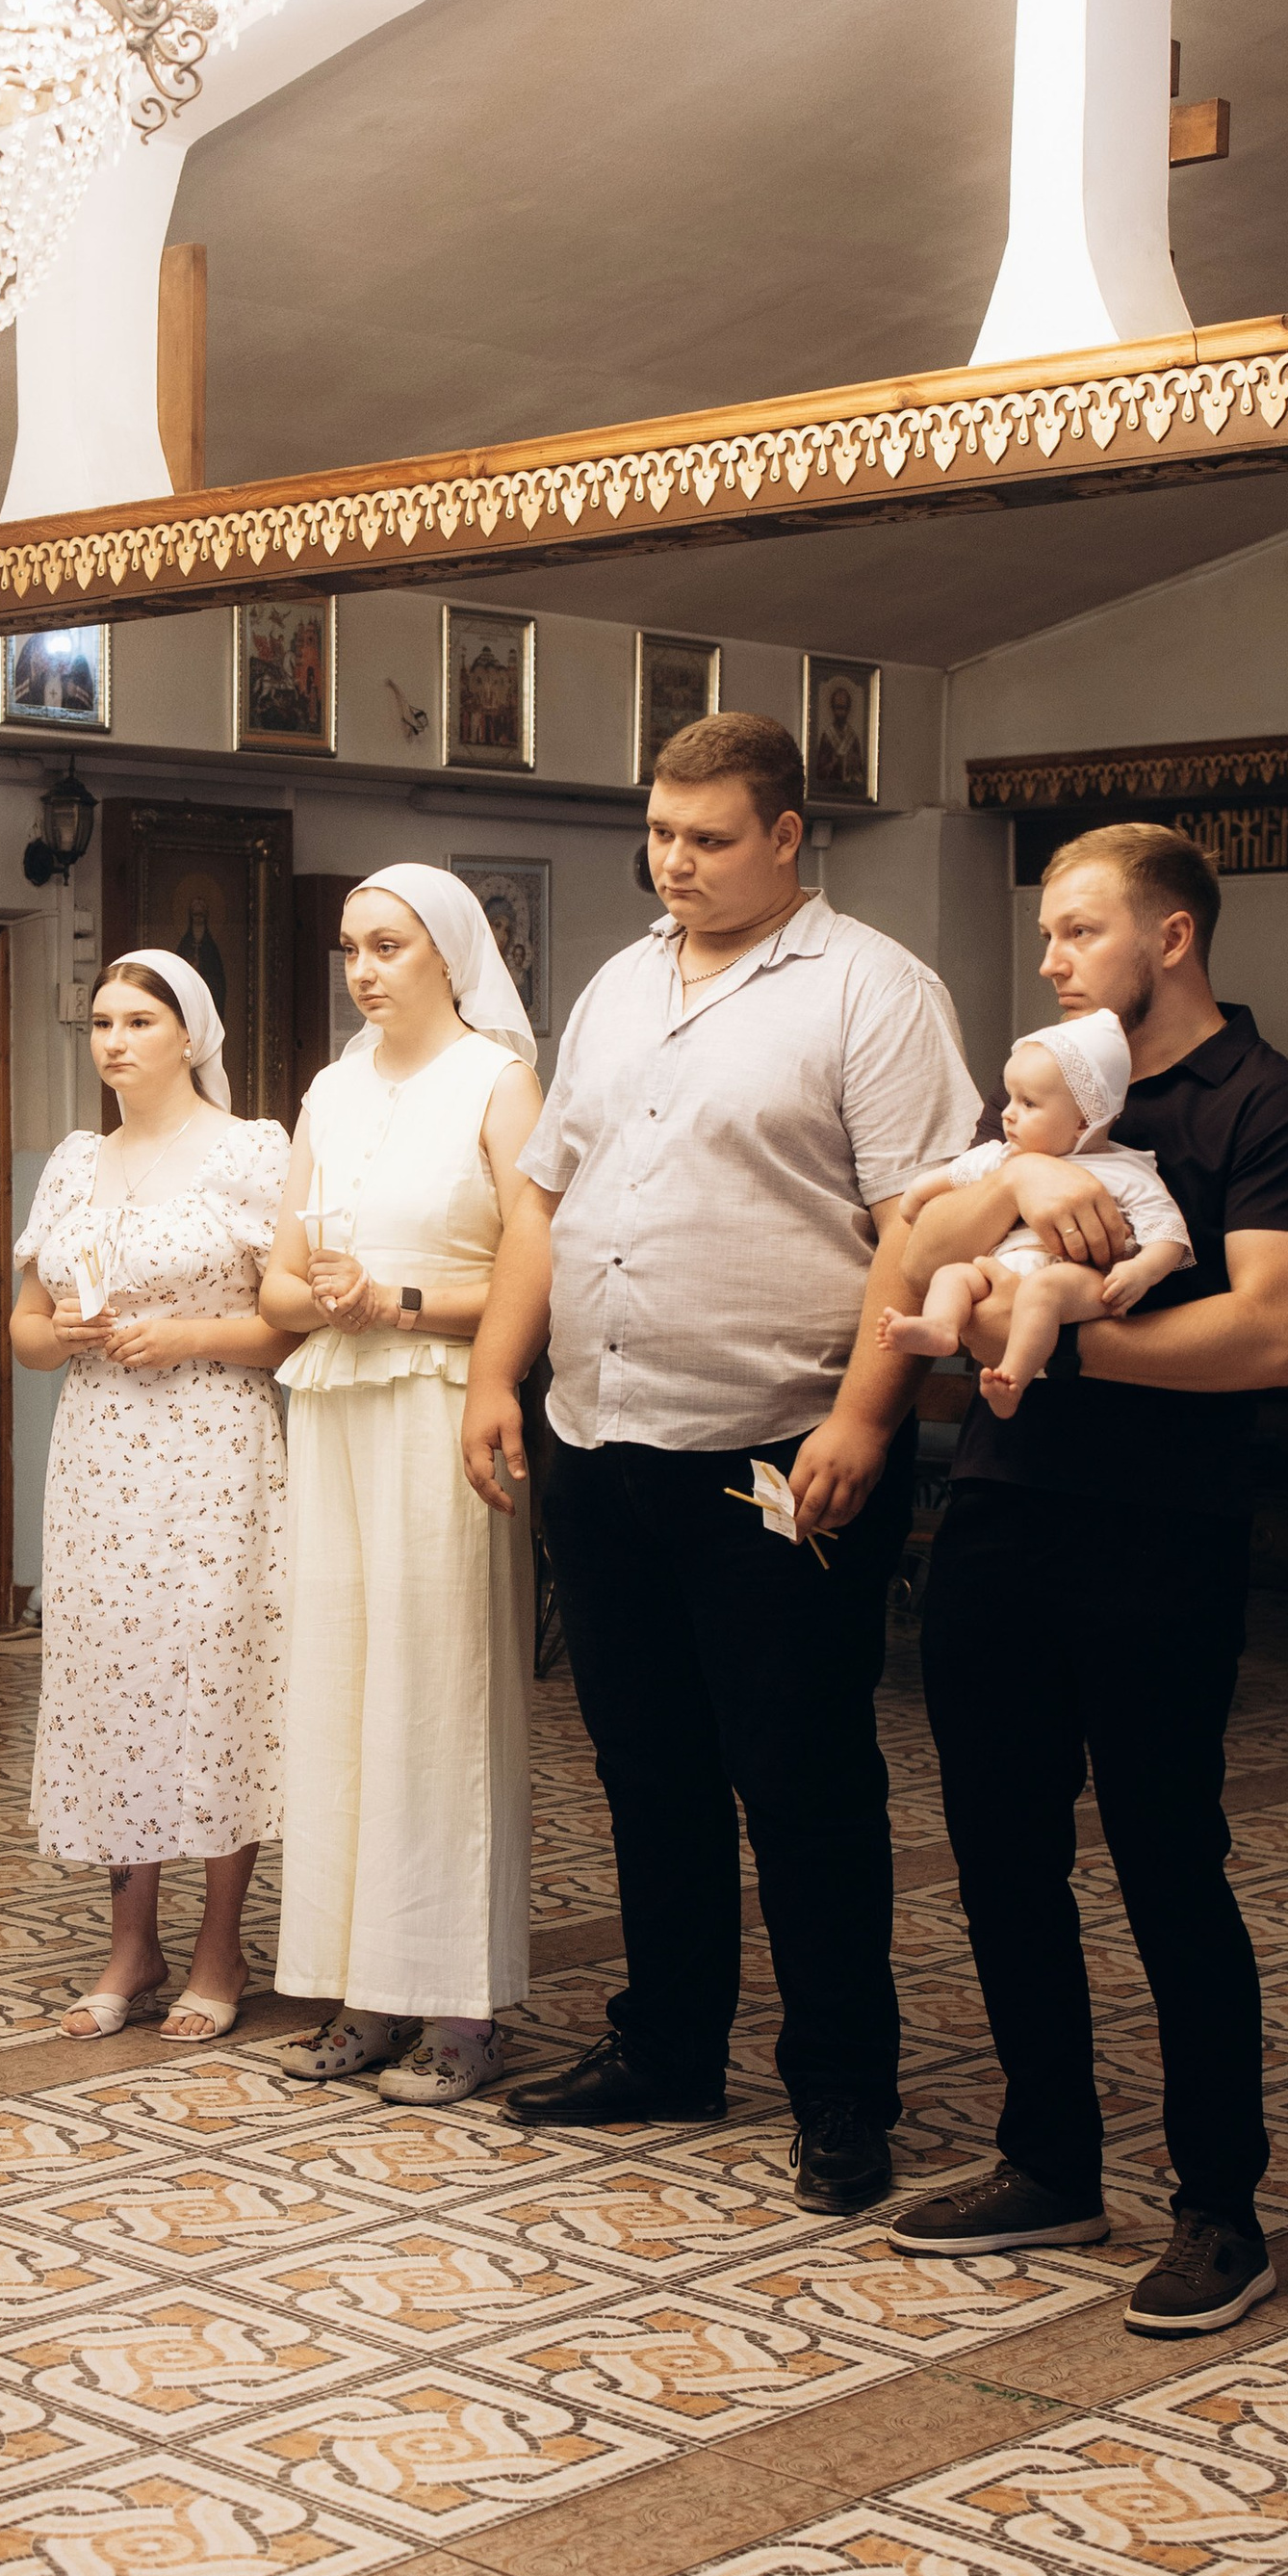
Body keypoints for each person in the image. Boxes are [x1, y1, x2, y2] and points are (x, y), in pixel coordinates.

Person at [462, 713, 978, 2207]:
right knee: (646, 1766)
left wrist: (866, 1416)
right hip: (601, 1435)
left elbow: (921, 1226)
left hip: (779, 1444)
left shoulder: (872, 990)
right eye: (659, 835)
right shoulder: (622, 984)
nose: (673, 864)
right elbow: (546, 1199)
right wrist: (496, 1372)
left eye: (706, 838)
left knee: (802, 1776)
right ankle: (670, 2045)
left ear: (786, 836)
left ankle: (843, 2090)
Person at [888, 825, 1288, 2335]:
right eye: (1046, 933)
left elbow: (1268, 1333)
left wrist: (1068, 1352)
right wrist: (1024, 1176)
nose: (1050, 959)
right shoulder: (1049, 1093)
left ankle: (1221, 2208)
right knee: (1001, 1855)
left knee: (1167, 1863)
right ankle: (1049, 2161)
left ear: (1173, 936)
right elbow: (913, 1252)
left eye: (1080, 930)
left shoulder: (1271, 1104)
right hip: (1002, 1514)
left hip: (1160, 1529)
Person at [259, 865, 543, 2104]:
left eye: (388, 946)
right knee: (340, 1694)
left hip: (441, 1406)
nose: (364, 971)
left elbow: (539, 1263)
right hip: (334, 1405)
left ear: (450, 953)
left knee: (439, 1698)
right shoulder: (329, 1089)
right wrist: (330, 1298)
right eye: (351, 949)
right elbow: (276, 1282)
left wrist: (401, 1301)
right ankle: (362, 1990)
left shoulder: (498, 1080)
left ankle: (462, 2007)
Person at [12, 950, 293, 2041]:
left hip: (214, 1446)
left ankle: (222, 1944)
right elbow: (27, 1332)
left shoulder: (250, 1152)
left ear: (191, 1036)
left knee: (215, 1680)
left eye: (138, 1021)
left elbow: (290, 1329)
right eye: (101, 1023)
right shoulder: (75, 1163)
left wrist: (188, 1334)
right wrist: (64, 1333)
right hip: (99, 1454)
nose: (115, 1042)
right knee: (114, 1681)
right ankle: (132, 1942)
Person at [879, 1009, 1191, 1411]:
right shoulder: (1003, 1157)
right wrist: (913, 1204)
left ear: (1083, 1122)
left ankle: (1013, 1378)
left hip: (1080, 1280)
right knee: (952, 1275)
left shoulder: (1125, 1170)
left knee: (1043, 1292)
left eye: (1028, 1103)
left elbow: (1167, 1231)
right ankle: (941, 1327)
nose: (1007, 1113)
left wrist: (1142, 1271)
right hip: (1004, 1268)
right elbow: (934, 1185)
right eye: (1011, 1098)